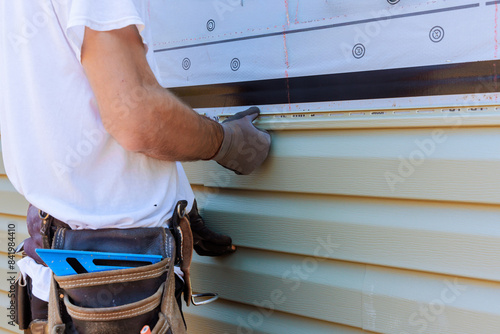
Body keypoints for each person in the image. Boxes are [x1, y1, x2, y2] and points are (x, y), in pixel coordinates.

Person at [0, 1, 271, 333]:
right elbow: (135, 114)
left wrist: (172, 195)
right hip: (118, 298)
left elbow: (61, 112)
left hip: (51, 282)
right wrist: (225, 142)